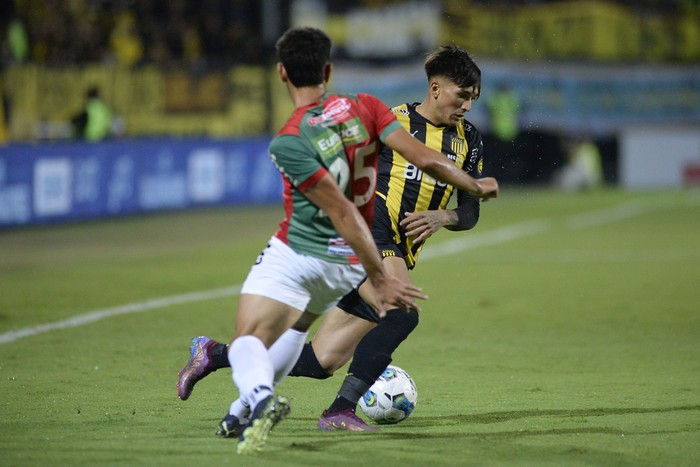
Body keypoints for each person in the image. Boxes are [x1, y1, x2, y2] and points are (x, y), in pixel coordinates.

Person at [179, 40, 496, 444]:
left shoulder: (469, 140)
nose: (468, 106)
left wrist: (443, 215)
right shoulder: (393, 122)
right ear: (436, 88)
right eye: (462, 95)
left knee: (320, 361)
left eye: (473, 99)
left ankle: (213, 353)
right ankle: (340, 411)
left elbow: (470, 212)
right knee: (401, 311)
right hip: (370, 236)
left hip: (397, 252)